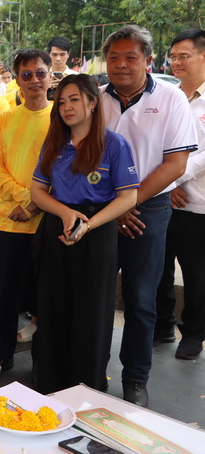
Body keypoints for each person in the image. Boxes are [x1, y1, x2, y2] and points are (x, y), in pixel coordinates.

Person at [99, 25, 197, 406]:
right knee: (96, 294)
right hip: (101, 207)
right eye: (113, 58)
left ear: (148, 61)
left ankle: (136, 379)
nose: (121, 65)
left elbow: (175, 164)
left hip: (149, 208)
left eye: (130, 58)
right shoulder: (96, 98)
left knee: (140, 298)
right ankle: (91, 370)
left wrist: (128, 202)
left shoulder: (172, 99)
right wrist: (114, 206)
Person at [30, 74, 139, 394]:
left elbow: (128, 197)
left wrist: (88, 225)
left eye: (74, 99)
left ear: (93, 103)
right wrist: (65, 213)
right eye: (61, 102)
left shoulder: (114, 145)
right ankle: (51, 385)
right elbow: (38, 191)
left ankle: (88, 388)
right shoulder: (54, 144)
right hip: (57, 228)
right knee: (52, 309)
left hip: (97, 234)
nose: (66, 107)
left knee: (92, 313)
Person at [0, 49, 53, 371]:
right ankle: (3, 353)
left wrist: (34, 205)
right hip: (9, 221)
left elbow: (66, 169)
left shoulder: (62, 117)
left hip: (47, 221)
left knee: (44, 295)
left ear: (51, 75)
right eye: (26, 75)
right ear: (16, 81)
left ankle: (45, 360)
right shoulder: (4, 120)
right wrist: (25, 199)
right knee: (5, 294)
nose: (35, 80)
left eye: (40, 73)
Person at [155, 28, 205, 360]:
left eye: (182, 56)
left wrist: (172, 179)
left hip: (197, 202)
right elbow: (154, 144)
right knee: (157, 268)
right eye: (172, 57)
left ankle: (194, 333)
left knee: (197, 273)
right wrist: (166, 184)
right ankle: (161, 326)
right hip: (162, 198)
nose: (175, 62)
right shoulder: (168, 97)